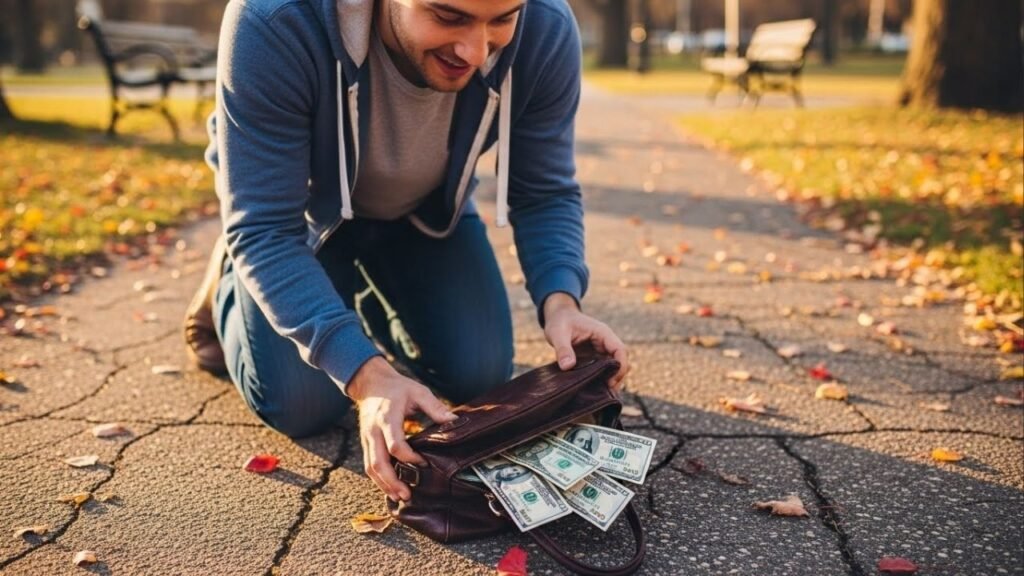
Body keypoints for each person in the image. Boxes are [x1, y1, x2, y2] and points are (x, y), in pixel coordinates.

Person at [184, 0, 630, 505]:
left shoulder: (546, 27)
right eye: (448, 16)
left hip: (423, 214)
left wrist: (562, 302)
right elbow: (266, 229)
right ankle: (229, 276)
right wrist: (368, 375)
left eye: (502, 19)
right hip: (301, 222)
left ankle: (362, 295)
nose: (475, 51)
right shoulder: (273, 20)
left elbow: (545, 191)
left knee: (479, 375)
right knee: (302, 405)